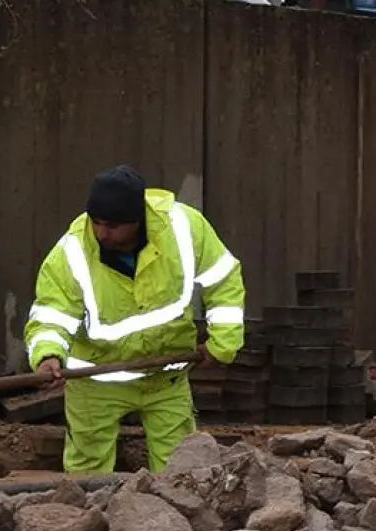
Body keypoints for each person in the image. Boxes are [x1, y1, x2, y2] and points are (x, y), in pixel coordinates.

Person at [22, 165, 245, 473]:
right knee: (88, 473)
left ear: (137, 220)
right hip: (97, 381)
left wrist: (224, 342)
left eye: (112, 225)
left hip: (164, 377)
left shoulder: (184, 228)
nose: (101, 233)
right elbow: (52, 314)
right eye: (96, 222)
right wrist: (47, 354)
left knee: (181, 471)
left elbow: (224, 280)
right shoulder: (71, 252)